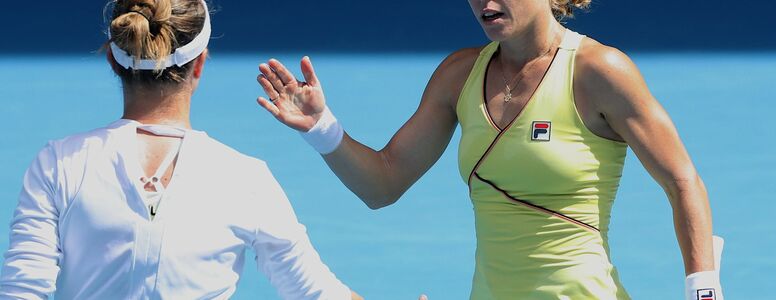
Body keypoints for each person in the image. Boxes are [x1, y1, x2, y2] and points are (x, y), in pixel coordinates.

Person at [255, 0, 724, 299]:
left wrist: (703, 289)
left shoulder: (600, 70)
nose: (484, 0)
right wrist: (321, 128)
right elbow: (384, 182)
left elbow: (683, 181)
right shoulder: (459, 74)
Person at [0, 0, 362, 299]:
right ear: (200, 63)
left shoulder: (58, 163)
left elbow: (22, 290)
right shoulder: (246, 179)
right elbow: (316, 292)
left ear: (112, 59)